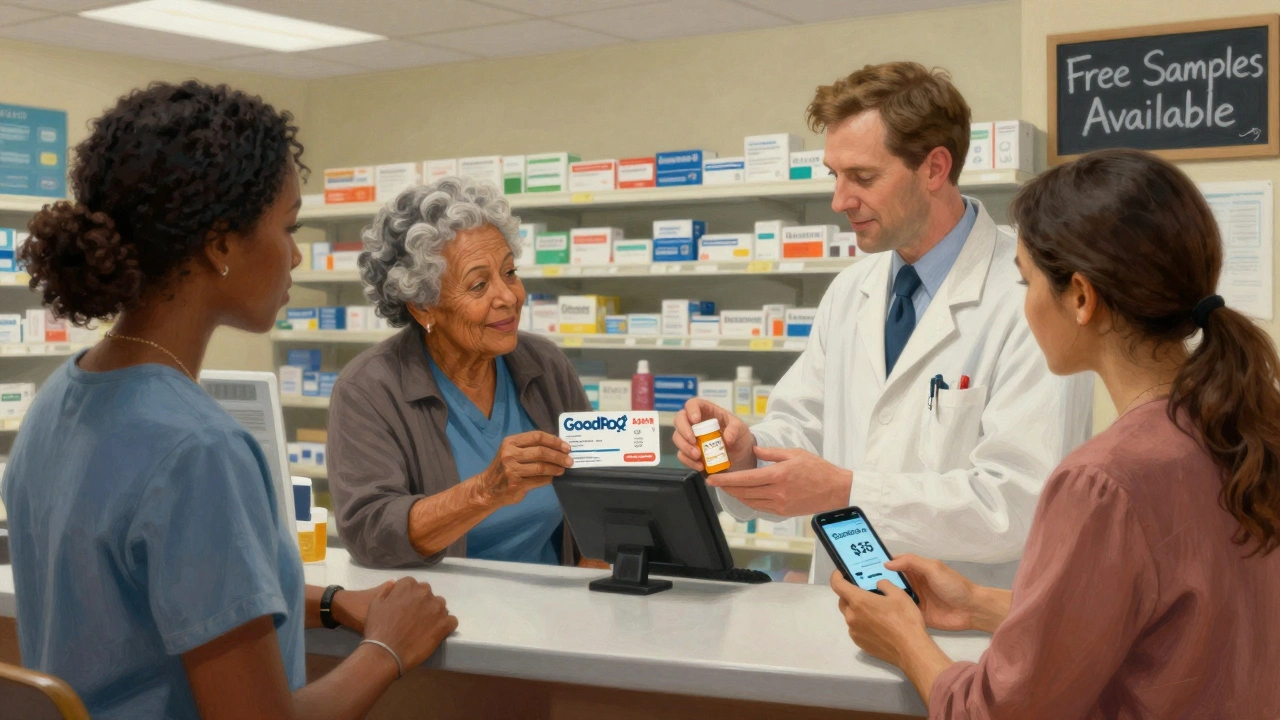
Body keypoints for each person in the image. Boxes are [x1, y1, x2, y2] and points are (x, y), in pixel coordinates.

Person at [1, 81, 457, 720]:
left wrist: (328, 603)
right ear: (220, 245)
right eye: (288, 226)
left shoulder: (62, 398)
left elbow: (158, 598)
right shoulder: (197, 448)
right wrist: (387, 647)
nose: (296, 254)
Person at [832, 148, 1280, 718]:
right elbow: (1165, 622)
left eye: (1026, 282)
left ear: (1082, 297)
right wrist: (979, 604)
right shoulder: (1243, 431)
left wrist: (905, 641)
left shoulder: (1102, 483)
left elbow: (998, 713)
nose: (1024, 306)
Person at [673, 62, 1094, 587]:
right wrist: (743, 454)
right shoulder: (852, 290)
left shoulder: (1029, 296)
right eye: (835, 175)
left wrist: (847, 492)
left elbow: (1018, 503)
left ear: (935, 168)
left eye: (863, 177)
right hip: (843, 611)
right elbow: (804, 428)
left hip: (967, 635)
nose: (839, 200)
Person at [328, 177, 591, 569]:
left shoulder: (543, 364)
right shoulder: (369, 389)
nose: (508, 297)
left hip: (555, 610)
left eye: (510, 272)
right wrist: (486, 491)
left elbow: (598, 488)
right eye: (479, 284)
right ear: (423, 307)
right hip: (442, 615)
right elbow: (371, 531)